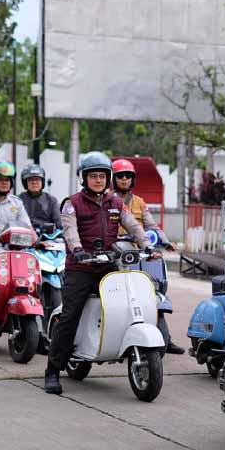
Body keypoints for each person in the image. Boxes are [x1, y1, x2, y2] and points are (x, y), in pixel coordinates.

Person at [44, 151, 155, 395]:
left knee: (128, 302)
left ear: (108, 178)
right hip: (81, 267)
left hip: (109, 265)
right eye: (93, 176)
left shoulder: (116, 203)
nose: (98, 180)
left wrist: (147, 244)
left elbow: (133, 225)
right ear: (84, 178)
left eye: (102, 176)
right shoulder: (72, 203)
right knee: (70, 316)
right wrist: (77, 250)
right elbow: (69, 230)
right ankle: (52, 371)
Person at [111, 158, 183, 354]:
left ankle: (164, 337)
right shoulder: (107, 200)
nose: (124, 179)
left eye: (128, 176)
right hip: (115, 255)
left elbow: (151, 226)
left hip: (140, 255)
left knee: (154, 289)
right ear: (113, 179)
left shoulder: (140, 203)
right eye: (120, 176)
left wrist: (166, 241)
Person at [18, 164, 62, 231]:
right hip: (24, 236)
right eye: (30, 180)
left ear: (42, 182)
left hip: (47, 237)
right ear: (25, 183)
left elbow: (59, 224)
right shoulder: (18, 200)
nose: (34, 182)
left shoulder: (51, 200)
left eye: (37, 179)